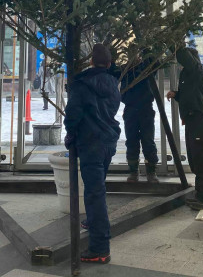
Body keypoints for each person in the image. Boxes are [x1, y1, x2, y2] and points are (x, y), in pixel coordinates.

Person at [64, 43, 120, 265]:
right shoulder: (113, 83)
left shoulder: (81, 84)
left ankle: (100, 248)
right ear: (108, 64)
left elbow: (72, 114)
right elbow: (112, 109)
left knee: (95, 193)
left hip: (91, 142)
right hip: (109, 141)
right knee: (98, 187)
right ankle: (93, 223)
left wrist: (71, 134)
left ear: (90, 61)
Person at [166, 43, 203, 210]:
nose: (181, 64)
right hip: (192, 120)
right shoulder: (191, 75)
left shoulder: (197, 70)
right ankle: (201, 195)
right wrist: (177, 95)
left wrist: (173, 42)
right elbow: (193, 94)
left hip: (199, 121)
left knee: (202, 159)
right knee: (196, 159)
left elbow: (184, 57)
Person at [113, 56, 159, 183]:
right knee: (131, 141)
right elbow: (112, 71)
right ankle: (133, 171)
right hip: (130, 109)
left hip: (146, 109)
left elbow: (156, 63)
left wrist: (147, 50)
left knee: (148, 141)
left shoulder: (147, 69)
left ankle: (151, 171)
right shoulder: (125, 70)